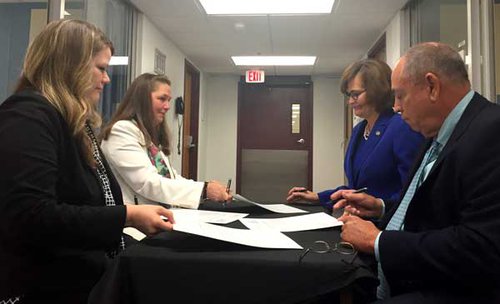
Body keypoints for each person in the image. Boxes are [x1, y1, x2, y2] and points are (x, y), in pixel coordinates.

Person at [0, 20, 175, 303]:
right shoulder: (27, 117)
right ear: (70, 66)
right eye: (101, 68)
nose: (107, 79)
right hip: (44, 289)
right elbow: (32, 216)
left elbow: (91, 203)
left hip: (83, 278)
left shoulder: (75, 123)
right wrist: (126, 216)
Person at [337, 42, 500, 303]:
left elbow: (481, 247)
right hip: (408, 276)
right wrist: (379, 208)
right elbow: (428, 213)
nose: (397, 108)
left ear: (432, 86)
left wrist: (378, 241)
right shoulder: (436, 133)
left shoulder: (491, 132)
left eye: (400, 96)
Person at [287, 59, 423, 211]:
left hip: (388, 226)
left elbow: (415, 191)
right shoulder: (359, 129)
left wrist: (381, 207)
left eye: (356, 94)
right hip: (358, 223)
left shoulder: (401, 127)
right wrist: (318, 197)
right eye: (349, 95)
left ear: (377, 91)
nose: (350, 101)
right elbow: (357, 189)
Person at [100, 73, 231, 209]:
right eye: (162, 99)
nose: (168, 106)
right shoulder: (121, 131)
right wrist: (203, 190)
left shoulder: (146, 137)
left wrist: (206, 187)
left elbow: (171, 178)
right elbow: (148, 183)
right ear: (142, 100)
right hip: (134, 225)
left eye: (168, 100)